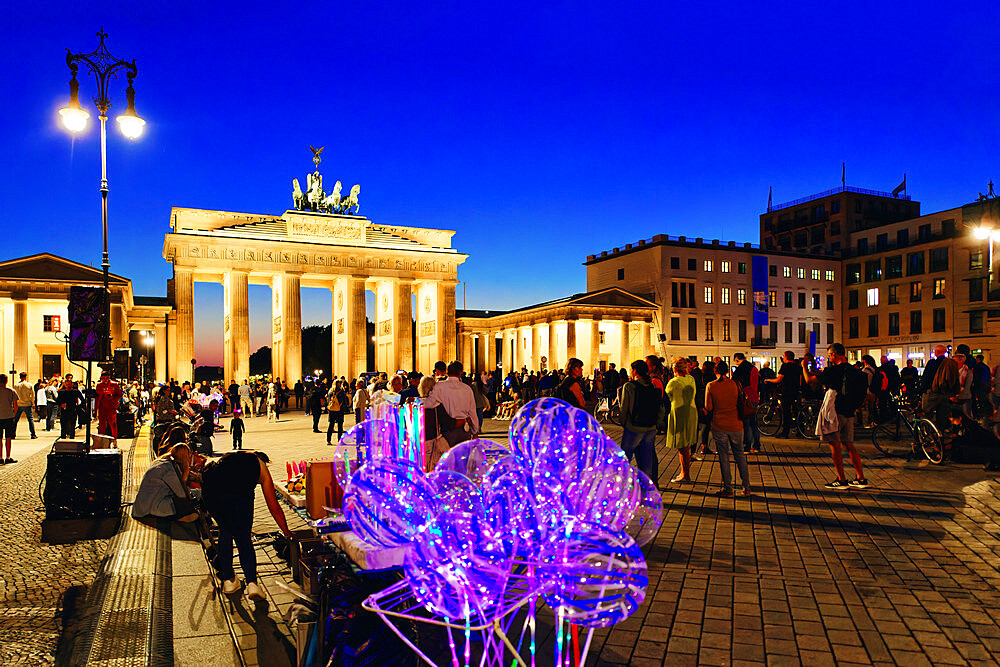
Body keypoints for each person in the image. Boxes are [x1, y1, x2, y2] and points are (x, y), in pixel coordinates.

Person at [201, 450, 291, 601]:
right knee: (243, 538)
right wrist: (286, 531)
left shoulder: (234, 456)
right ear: (264, 460)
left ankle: (229, 581)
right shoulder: (262, 467)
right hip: (238, 497)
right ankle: (252, 583)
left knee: (225, 532)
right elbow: (273, 506)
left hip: (211, 494)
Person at [818, 343, 868, 489]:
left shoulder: (833, 370)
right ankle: (860, 478)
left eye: (830, 355)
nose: (829, 358)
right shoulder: (855, 371)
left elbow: (811, 381)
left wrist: (804, 366)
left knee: (835, 444)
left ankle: (841, 479)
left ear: (835, 354)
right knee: (849, 444)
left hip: (836, 411)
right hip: (850, 412)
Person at [705, 361, 752, 497]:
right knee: (740, 455)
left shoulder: (711, 386)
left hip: (719, 425)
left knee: (724, 457)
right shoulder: (735, 384)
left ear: (715, 371)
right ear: (728, 371)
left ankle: (728, 489)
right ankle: (746, 487)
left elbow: (708, 407)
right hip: (736, 424)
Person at [619, 360, 664, 483]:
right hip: (650, 428)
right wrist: (656, 423)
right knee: (646, 461)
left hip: (634, 427)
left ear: (635, 371)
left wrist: (624, 423)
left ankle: (622, 488)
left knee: (625, 458)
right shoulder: (653, 385)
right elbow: (660, 406)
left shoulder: (629, 386)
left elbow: (624, 409)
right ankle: (647, 490)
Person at [132, 443, 200, 523]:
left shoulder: (162, 461)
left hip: (141, 507)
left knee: (195, 494)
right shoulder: (170, 469)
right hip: (151, 509)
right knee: (196, 499)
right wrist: (186, 471)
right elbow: (182, 494)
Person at [424, 361, 479, 445]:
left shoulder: (439, 387)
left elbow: (429, 403)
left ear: (447, 371)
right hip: (464, 429)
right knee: (463, 456)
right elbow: (472, 412)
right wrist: (475, 431)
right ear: (461, 372)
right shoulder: (467, 389)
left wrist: (416, 400)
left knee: (449, 456)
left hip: (448, 429)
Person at [665, 358, 698, 484]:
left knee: (682, 445)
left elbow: (668, 396)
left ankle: (685, 474)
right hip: (691, 412)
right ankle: (685, 472)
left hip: (679, 413)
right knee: (686, 444)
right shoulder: (691, 379)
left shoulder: (673, 382)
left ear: (675, 368)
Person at [766, 351, 803, 438]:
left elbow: (778, 380)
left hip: (786, 391)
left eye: (783, 356)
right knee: (796, 411)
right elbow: (801, 379)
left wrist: (768, 380)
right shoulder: (798, 366)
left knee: (786, 413)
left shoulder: (785, 366)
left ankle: (785, 433)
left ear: (786, 357)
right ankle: (800, 431)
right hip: (796, 391)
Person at [732, 353, 761, 453]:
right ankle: (756, 446)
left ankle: (747, 446)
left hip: (745, 398)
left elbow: (734, 382)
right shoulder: (754, 368)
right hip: (755, 398)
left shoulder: (741, 369)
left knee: (746, 424)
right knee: (754, 424)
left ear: (736, 360)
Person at [94, 371, 123, 440]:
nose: (105, 379)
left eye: (106, 378)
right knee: (102, 425)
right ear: (101, 378)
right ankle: (101, 440)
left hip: (111, 408)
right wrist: (95, 409)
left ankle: (114, 439)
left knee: (113, 424)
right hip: (102, 408)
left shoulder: (114, 384)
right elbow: (97, 398)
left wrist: (113, 397)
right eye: (103, 378)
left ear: (109, 377)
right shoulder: (99, 385)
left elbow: (119, 395)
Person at [13, 372, 36, 440]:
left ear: (20, 377)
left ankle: (12, 434)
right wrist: (33, 403)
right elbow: (32, 395)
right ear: (26, 377)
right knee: (30, 419)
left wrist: (13, 404)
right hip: (27, 404)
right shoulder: (29, 385)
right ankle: (33, 434)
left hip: (18, 404)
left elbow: (14, 395)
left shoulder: (16, 385)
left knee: (15, 419)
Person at [0, 375, 17, 464]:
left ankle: (0, 457)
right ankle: (8, 456)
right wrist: (14, 415)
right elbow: (15, 405)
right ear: (6, 381)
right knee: (8, 438)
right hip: (9, 417)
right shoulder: (11, 391)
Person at [326, 380, 349, 445]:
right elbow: (344, 400)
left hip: (332, 410)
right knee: (340, 425)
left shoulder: (330, 391)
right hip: (340, 410)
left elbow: (328, 400)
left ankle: (328, 440)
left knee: (331, 424)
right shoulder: (341, 391)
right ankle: (339, 440)